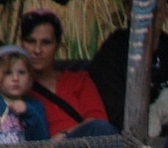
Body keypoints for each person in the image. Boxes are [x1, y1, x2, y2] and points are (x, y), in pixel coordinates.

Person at [88, 0, 168, 129]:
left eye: (154, 10)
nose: (147, 17)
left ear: (166, 12)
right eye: (140, 9)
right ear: (128, 10)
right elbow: (114, 114)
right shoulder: (112, 54)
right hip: (128, 141)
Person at [20, 10, 118, 140]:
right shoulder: (16, 86)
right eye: (31, 41)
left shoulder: (78, 80)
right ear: (21, 43)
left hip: (83, 147)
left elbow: (98, 120)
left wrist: (63, 135)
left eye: (46, 42)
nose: (37, 50)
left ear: (57, 46)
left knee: (101, 128)